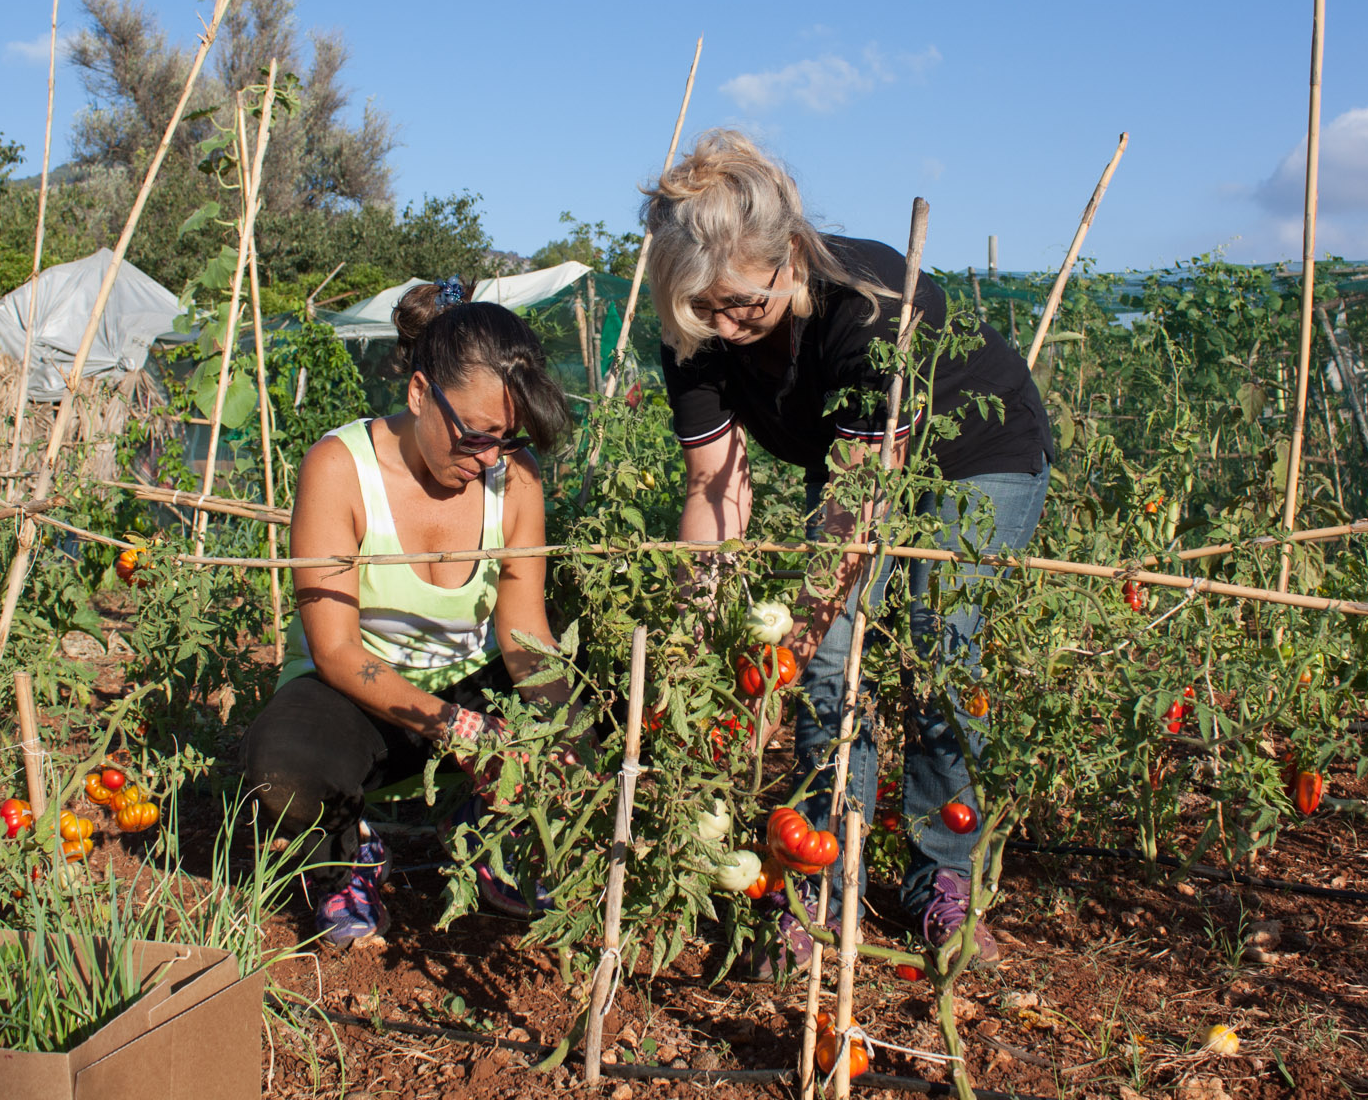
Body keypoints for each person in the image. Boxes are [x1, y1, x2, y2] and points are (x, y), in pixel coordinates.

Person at [644, 130, 1054, 969]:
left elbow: (859, 506)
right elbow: (715, 491)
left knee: (936, 651)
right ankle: (818, 886)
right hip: (850, 468)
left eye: (743, 307)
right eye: (705, 309)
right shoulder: (694, 328)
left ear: (789, 255)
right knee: (831, 668)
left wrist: (791, 640)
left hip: (978, 455)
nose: (726, 327)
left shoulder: (868, 307)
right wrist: (701, 625)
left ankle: (942, 883)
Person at [240, 280, 573, 947]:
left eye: (506, 442)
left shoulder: (517, 478)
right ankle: (345, 858)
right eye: (476, 436)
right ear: (420, 393)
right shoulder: (340, 469)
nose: (489, 461)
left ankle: (492, 829)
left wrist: (556, 732)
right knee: (285, 768)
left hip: (471, 687)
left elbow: (525, 633)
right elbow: (335, 652)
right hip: (358, 694)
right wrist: (458, 729)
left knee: (587, 712)